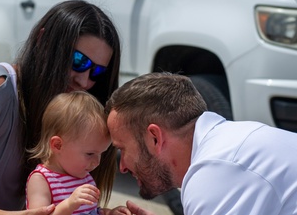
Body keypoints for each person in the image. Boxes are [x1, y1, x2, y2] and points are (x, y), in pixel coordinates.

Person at [0, 0, 121, 214]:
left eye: (97, 72)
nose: (84, 81)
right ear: (43, 41)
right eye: (78, 60)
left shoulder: (62, 115)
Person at [105, 72, 297, 215]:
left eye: (121, 148)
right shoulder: (230, 145)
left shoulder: (214, 171)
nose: (121, 167)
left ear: (154, 137)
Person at [26, 91, 130, 215]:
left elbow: (90, 211)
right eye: (90, 154)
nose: (97, 162)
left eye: (101, 153)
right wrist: (69, 205)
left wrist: (108, 212)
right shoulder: (41, 180)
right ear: (58, 145)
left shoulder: (83, 176)